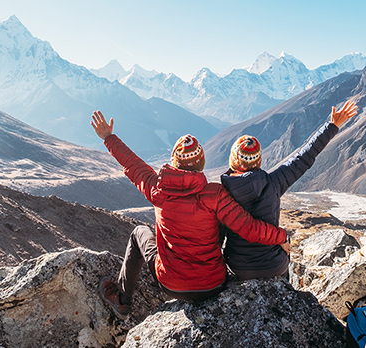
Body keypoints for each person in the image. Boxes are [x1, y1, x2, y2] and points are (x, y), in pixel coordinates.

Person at [90, 110, 290, 316]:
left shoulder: (157, 189)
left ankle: (122, 301)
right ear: (200, 163)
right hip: (213, 284)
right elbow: (250, 228)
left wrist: (108, 137)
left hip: (171, 285)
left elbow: (132, 164)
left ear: (174, 161)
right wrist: (282, 236)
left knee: (139, 233)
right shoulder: (216, 195)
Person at [221, 100, 358, 280]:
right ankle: (286, 292)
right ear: (259, 161)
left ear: (233, 161)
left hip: (237, 265)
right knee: (284, 243)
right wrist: (332, 126)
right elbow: (305, 156)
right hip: (273, 266)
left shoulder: (221, 192)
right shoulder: (274, 182)